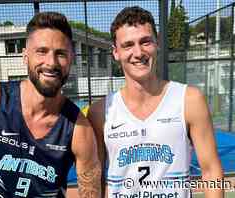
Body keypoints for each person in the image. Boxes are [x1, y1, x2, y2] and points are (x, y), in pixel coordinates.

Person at [0, 12, 101, 198]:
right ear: (25, 56)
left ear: (71, 59)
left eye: (60, 53)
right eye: (41, 51)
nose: (51, 63)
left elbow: (90, 190)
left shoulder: (79, 129)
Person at [87, 6, 223, 198]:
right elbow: (95, 179)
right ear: (115, 52)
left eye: (145, 42)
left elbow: (211, 170)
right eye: (128, 45)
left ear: (157, 44)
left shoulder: (189, 100)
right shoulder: (100, 112)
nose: (138, 52)